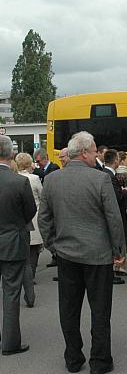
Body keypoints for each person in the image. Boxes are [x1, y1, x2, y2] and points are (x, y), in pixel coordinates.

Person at [38, 131, 125, 373]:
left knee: (68, 309)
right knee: (100, 310)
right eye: (95, 150)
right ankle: (100, 361)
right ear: (85, 152)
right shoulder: (100, 179)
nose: (98, 154)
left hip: (66, 255)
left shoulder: (53, 179)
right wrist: (118, 249)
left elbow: (44, 219)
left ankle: (73, 358)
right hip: (98, 256)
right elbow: (113, 218)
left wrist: (53, 246)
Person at [0, 135, 36, 356]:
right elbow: (30, 211)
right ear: (11, 154)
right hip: (13, 241)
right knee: (11, 292)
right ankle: (10, 343)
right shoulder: (19, 182)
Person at [16, 152, 44, 306]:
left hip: (18, 218)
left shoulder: (14, 177)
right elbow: (42, 195)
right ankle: (31, 275)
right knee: (33, 248)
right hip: (33, 216)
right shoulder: (34, 179)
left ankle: (26, 275)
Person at [103, 149, 127, 283]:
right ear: (115, 160)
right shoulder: (108, 175)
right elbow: (116, 196)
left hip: (114, 213)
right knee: (115, 241)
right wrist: (124, 192)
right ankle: (113, 270)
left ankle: (116, 267)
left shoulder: (108, 174)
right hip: (115, 214)